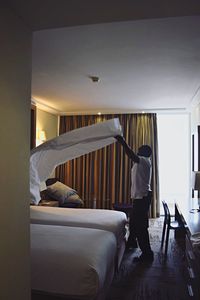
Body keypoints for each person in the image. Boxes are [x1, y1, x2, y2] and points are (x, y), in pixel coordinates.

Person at [115, 135, 154, 263]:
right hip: (141, 197)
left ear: (144, 153)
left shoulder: (144, 160)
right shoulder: (144, 161)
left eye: (139, 150)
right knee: (133, 222)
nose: (137, 151)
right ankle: (132, 242)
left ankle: (147, 254)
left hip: (142, 198)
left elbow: (131, 154)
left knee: (141, 226)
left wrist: (122, 142)